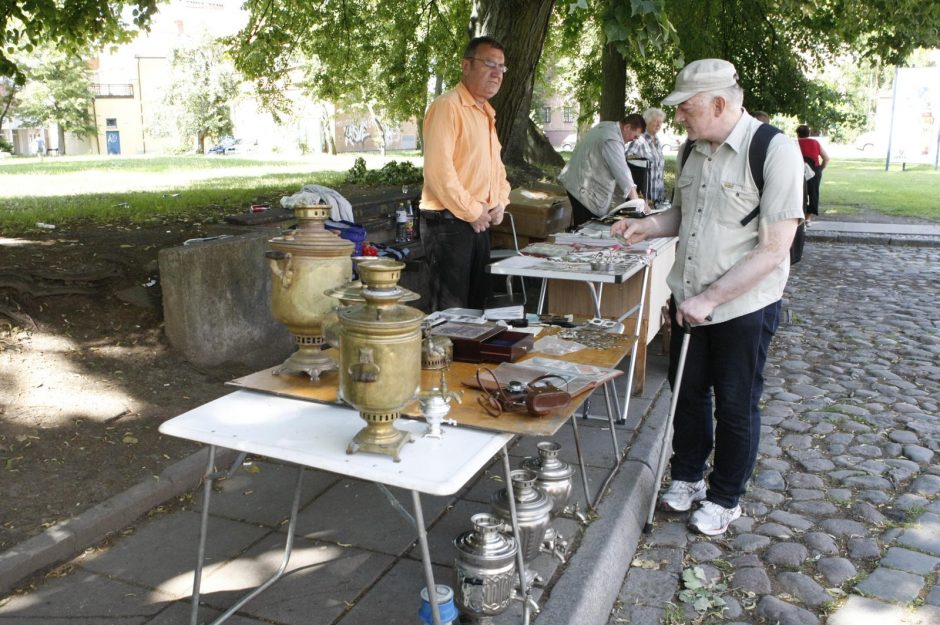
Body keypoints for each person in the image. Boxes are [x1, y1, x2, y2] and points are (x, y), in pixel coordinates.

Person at [611, 59, 803, 536]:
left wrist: (712, 298)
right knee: (689, 395)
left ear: (719, 103)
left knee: (736, 403)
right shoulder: (695, 149)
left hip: (743, 306)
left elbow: (775, 249)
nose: (678, 117)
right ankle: (689, 476)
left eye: (686, 108)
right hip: (691, 300)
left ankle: (725, 496)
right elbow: (685, 212)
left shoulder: (775, 151)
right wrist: (647, 226)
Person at [420, 35, 511, 311]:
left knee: (477, 309)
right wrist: (473, 211)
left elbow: (497, 170)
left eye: (502, 67)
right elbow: (439, 171)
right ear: (466, 66)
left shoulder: (486, 114)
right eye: (489, 64)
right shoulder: (448, 107)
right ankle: (443, 356)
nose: (497, 73)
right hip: (448, 223)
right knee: (451, 314)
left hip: (478, 221)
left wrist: (499, 203)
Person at [559, 114, 646, 228]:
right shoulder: (612, 139)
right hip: (584, 192)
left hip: (576, 183)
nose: (633, 140)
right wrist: (637, 203)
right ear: (627, 127)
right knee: (586, 231)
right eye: (635, 136)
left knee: (582, 228)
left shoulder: (606, 126)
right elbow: (623, 173)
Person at [626, 107, 668, 203]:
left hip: (658, 198)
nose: (658, 124)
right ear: (647, 122)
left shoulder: (658, 142)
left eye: (660, 122)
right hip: (644, 198)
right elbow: (627, 161)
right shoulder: (639, 140)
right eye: (655, 121)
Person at [796, 125, 830, 225]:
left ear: (797, 134)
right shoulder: (815, 143)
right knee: (813, 194)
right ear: (809, 134)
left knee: (798, 194)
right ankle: (808, 218)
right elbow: (826, 158)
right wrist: (820, 169)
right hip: (814, 170)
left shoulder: (794, 143)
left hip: (799, 171)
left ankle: (799, 217)